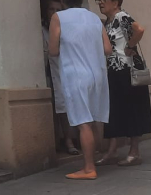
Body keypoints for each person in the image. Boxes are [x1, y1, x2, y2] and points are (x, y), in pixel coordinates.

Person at [50, 0, 112, 179]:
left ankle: (89, 168)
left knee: (83, 123)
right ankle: (93, 160)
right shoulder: (94, 18)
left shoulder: (58, 17)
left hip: (76, 74)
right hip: (97, 74)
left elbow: (53, 50)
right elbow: (107, 49)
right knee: (91, 121)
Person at [94, 0, 151, 167]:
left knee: (131, 109)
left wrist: (131, 46)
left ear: (115, 2)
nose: (100, 2)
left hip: (127, 71)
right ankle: (112, 151)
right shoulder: (108, 21)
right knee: (113, 111)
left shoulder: (121, 16)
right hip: (114, 71)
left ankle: (134, 152)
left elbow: (139, 29)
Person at [42, 0, 78, 156]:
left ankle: (69, 140)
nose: (54, 12)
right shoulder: (41, 29)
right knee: (54, 108)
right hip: (47, 73)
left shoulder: (65, 29)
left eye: (58, 9)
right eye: (51, 9)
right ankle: (58, 140)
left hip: (63, 71)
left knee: (65, 106)